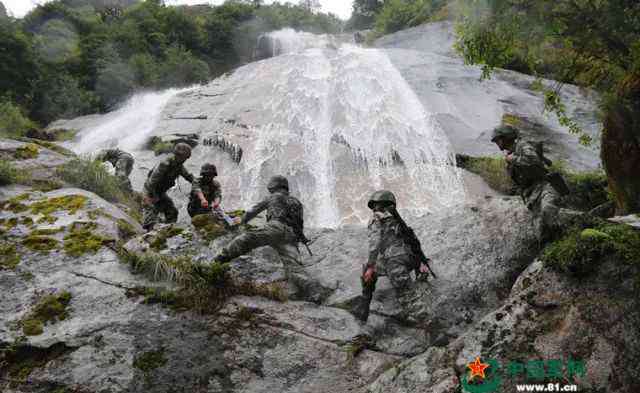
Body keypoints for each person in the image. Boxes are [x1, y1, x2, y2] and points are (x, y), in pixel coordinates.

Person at [211, 175, 326, 303]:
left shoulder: (274, 196)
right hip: (291, 237)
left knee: (246, 239)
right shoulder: (297, 202)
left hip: (275, 229)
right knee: (294, 269)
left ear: (274, 186)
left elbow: (250, 213)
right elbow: (300, 225)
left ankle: (218, 261)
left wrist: (235, 221)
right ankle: (314, 291)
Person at [351, 190, 431, 325]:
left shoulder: (377, 218)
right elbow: (414, 243)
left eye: (375, 205)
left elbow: (374, 244)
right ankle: (363, 308)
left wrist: (371, 266)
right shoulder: (398, 220)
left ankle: (431, 325)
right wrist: (421, 264)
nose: (374, 209)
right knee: (369, 269)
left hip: (393, 262)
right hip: (408, 259)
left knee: (407, 296)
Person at [491, 125, 565, 240]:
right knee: (540, 231)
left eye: (498, 140)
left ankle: (563, 238)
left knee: (548, 210)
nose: (497, 143)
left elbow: (533, 160)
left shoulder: (523, 145)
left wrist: (513, 159)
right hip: (531, 195)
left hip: (545, 186)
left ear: (505, 137)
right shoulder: (511, 153)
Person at [141, 143, 195, 231]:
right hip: (150, 191)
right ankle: (149, 233)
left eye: (187, 157)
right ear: (179, 155)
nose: (186, 159)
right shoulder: (165, 164)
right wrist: (153, 197)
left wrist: (199, 183)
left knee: (172, 212)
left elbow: (189, 177)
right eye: (185, 157)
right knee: (150, 217)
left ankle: (167, 231)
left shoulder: (179, 166)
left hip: (160, 192)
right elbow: (152, 182)